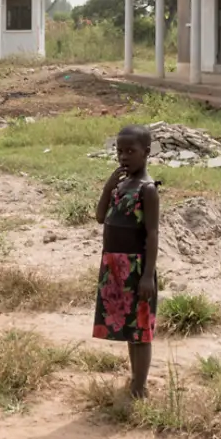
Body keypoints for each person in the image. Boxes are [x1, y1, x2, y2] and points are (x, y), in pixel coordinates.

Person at [93, 125, 159, 400]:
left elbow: (152, 233)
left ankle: (139, 385)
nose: (124, 157)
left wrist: (147, 276)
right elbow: (99, 216)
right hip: (113, 265)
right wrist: (108, 185)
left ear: (146, 152)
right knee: (129, 328)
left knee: (140, 330)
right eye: (119, 151)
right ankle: (135, 379)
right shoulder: (120, 185)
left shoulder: (148, 189)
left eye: (130, 151)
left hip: (135, 268)